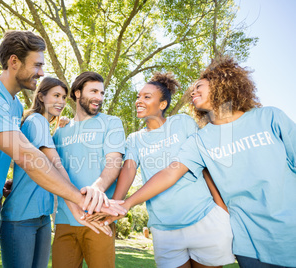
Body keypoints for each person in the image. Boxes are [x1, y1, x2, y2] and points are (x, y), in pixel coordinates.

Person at [0, 31, 110, 268]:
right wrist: (77, 200)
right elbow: (27, 156)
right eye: (37, 64)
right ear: (14, 62)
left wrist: (5, 182)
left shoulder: (14, 105)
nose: (42, 72)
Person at [102, 57, 296, 268]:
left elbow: (205, 173)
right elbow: (170, 172)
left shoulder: (269, 117)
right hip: (248, 241)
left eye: (198, 87)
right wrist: (122, 204)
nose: (192, 93)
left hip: (285, 230)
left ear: (222, 83)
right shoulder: (201, 138)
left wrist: (218, 208)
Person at [90, 72, 234, 268]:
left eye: (147, 97)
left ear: (163, 104)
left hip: (204, 219)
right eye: (138, 96)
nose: (139, 101)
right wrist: (115, 205)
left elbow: (204, 167)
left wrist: (221, 207)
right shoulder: (134, 138)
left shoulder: (182, 122)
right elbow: (128, 170)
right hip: (164, 229)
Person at [0, 77, 115, 268]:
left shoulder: (50, 129)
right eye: (55, 96)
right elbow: (57, 166)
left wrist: (67, 126)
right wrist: (76, 205)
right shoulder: (36, 121)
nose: (61, 102)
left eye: (63, 97)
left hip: (42, 218)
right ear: (42, 97)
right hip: (21, 216)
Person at [51, 71, 126, 268]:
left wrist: (97, 189)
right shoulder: (60, 132)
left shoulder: (111, 122)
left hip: (99, 218)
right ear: (77, 93)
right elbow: (56, 174)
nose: (99, 98)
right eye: (94, 91)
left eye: (102, 93)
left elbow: (114, 162)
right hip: (65, 219)